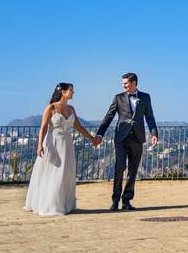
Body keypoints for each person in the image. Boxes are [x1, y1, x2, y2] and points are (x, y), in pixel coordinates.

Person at [24, 83, 99, 216]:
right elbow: (43, 127)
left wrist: (91, 138)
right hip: (52, 142)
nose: (73, 93)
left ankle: (64, 204)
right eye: (71, 90)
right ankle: (50, 205)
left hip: (67, 144)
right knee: (52, 173)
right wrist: (39, 145)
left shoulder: (71, 109)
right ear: (63, 92)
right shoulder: (51, 107)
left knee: (65, 173)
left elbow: (79, 127)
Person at [95, 72, 158, 211]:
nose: (123, 86)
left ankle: (126, 200)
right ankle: (115, 200)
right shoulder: (118, 98)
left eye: (126, 84)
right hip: (121, 138)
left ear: (134, 83)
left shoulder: (145, 97)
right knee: (120, 167)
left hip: (137, 137)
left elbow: (150, 117)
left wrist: (154, 133)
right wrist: (100, 133)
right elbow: (109, 116)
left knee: (133, 170)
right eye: (123, 84)